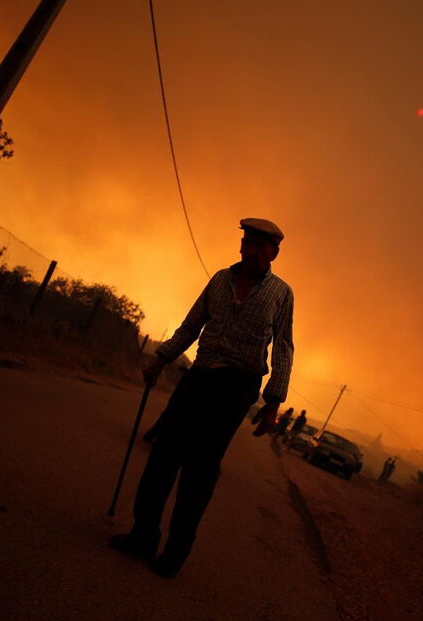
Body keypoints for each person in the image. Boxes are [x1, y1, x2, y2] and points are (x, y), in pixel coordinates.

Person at [110, 218, 294, 578]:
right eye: (249, 243)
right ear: (241, 245)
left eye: (263, 246)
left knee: (200, 469)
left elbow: (284, 348)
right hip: (198, 377)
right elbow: (192, 325)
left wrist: (273, 402)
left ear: (274, 252)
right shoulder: (219, 280)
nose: (254, 251)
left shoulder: (281, 293)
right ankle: (143, 536)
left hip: (236, 387)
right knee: (162, 458)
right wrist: (161, 358)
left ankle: (175, 554)